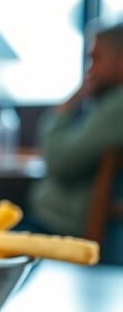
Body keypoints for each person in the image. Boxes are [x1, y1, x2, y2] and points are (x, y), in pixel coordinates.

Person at [30, 22, 123, 236]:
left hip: (60, 228)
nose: (90, 69)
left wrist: (63, 110)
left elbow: (60, 162)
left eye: (96, 59)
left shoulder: (117, 107)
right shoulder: (108, 103)